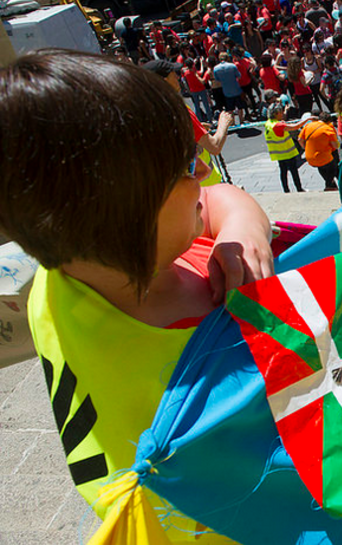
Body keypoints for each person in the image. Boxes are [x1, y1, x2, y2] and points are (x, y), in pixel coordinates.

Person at [0, 49, 273, 533]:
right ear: (131, 221)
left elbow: (216, 200)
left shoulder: (62, 270)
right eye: (187, 167)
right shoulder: (208, 350)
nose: (203, 175)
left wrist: (240, 231)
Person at [143, 58, 229, 187]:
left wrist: (196, 129)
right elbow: (214, 146)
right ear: (164, 81)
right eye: (173, 74)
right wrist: (224, 123)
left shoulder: (150, 112)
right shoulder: (179, 111)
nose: (178, 78)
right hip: (205, 186)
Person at [264, 100, 307, 193]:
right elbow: (295, 126)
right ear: (276, 113)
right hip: (287, 153)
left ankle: (286, 190)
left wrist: (285, 114)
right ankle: (299, 188)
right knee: (294, 172)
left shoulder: (269, 123)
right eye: (280, 112)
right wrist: (307, 119)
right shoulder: (279, 125)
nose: (282, 114)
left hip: (278, 154)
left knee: (283, 172)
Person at [298, 111, 340, 192]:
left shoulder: (308, 125)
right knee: (334, 168)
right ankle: (329, 185)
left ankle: (331, 185)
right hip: (324, 157)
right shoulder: (328, 128)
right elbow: (335, 146)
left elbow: (300, 139)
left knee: (322, 168)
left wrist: (306, 148)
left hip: (311, 158)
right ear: (328, 121)